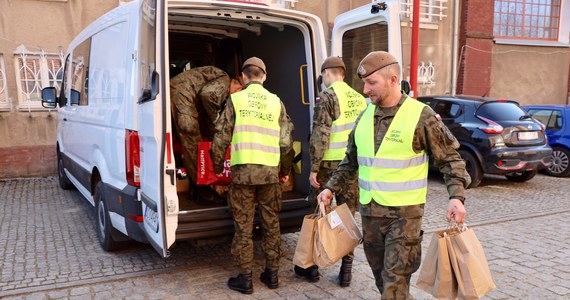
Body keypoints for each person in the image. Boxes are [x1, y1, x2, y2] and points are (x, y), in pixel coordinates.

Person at [316, 51, 471, 299]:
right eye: (364, 83)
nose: (365, 90)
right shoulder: (365, 115)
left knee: (393, 286)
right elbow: (351, 160)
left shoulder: (421, 116)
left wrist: (456, 197)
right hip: (370, 216)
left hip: (404, 218)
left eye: (371, 83)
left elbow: (450, 159)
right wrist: (330, 188)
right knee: (383, 281)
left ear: (392, 79)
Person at [211, 57, 293, 295]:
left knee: (244, 227)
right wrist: (285, 172)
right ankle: (272, 274)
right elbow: (286, 142)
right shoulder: (276, 102)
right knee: (271, 224)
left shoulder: (235, 100)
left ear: (244, 77)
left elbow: (221, 137)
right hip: (269, 175)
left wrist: (217, 167)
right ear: (264, 77)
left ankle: (245, 278)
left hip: (242, 176)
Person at [294, 56, 367, 287]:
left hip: (329, 166)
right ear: (343, 74)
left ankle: (312, 267)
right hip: (353, 167)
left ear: (326, 74)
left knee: (318, 212)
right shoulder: (360, 98)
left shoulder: (327, 96)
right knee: (347, 216)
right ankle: (346, 271)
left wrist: (313, 168)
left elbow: (320, 135)